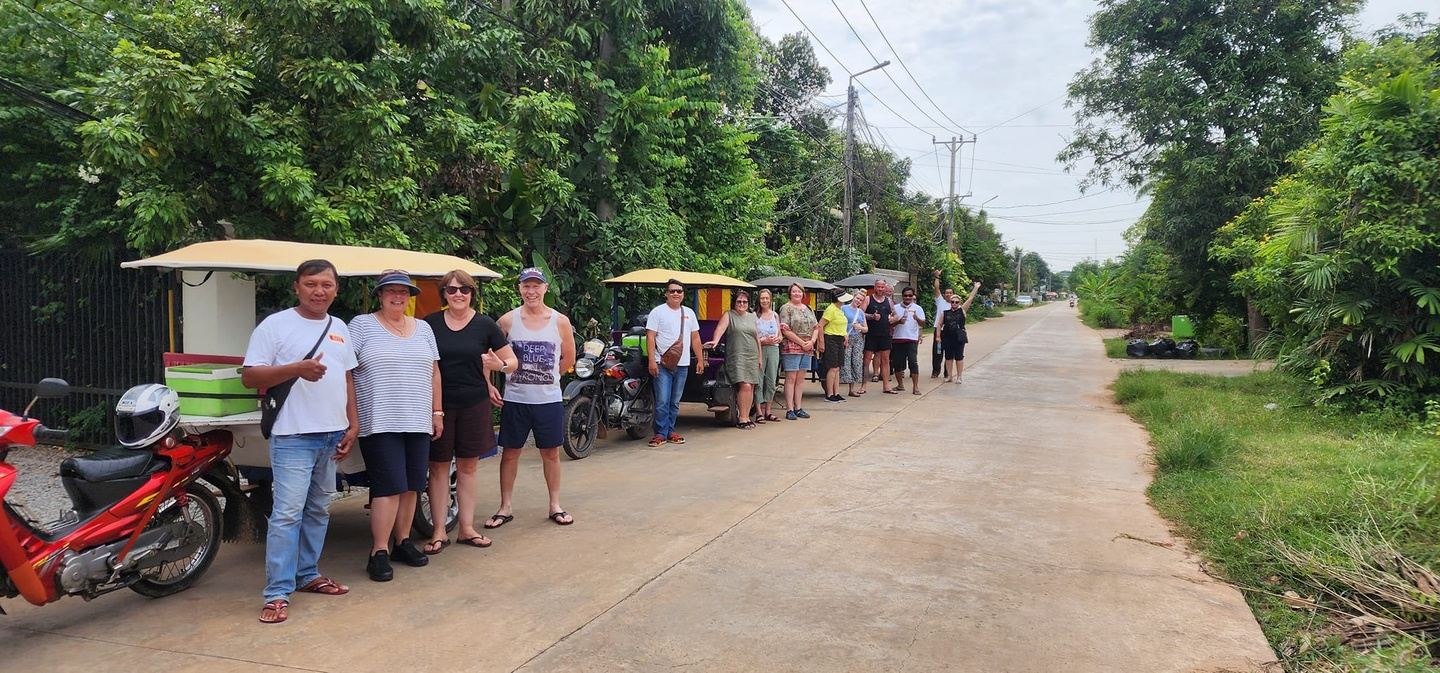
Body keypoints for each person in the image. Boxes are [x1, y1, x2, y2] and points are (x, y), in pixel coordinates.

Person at [242, 259, 359, 624]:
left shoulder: (339, 328)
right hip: (293, 435)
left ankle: (307, 574)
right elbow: (249, 376)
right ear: (297, 286)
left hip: (332, 434)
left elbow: (348, 380)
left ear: (336, 289)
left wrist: (353, 425)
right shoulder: (275, 326)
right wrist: (296, 369)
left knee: (319, 509)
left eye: (326, 284)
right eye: (311, 284)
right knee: (287, 515)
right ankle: (277, 592)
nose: (319, 291)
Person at [350, 270, 443, 582]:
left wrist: (437, 412)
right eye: (390, 291)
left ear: (410, 297)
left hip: (418, 419)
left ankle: (403, 541)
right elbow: (347, 371)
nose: (397, 296)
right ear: (380, 295)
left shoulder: (424, 328)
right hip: (379, 419)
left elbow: (434, 373)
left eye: (403, 292)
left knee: (413, 484)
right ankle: (379, 550)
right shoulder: (362, 325)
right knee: (388, 486)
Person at [422, 269, 517, 553]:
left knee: (467, 467)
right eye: (451, 290)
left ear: (472, 293)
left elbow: (511, 362)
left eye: (464, 290)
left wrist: (496, 366)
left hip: (473, 404)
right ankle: (439, 531)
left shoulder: (485, 325)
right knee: (438, 467)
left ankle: (466, 528)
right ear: (444, 294)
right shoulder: (430, 324)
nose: (458, 295)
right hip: (439, 405)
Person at [484, 268, 578, 528]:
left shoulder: (559, 321)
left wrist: (549, 378)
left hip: (548, 400)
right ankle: (505, 506)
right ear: (520, 289)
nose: (531, 291)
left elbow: (568, 357)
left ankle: (555, 505)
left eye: (536, 286)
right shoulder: (506, 321)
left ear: (546, 288)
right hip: (515, 399)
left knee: (550, 453)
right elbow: (489, 355)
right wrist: (489, 384)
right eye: (526, 286)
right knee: (510, 453)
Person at [645, 279, 704, 446]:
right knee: (662, 400)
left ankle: (670, 430)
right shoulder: (658, 312)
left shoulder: (689, 313)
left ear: (683, 294)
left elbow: (695, 337)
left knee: (675, 401)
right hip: (662, 363)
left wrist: (700, 359)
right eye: (672, 291)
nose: (676, 293)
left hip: (683, 364)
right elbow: (650, 336)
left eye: (679, 291)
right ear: (666, 294)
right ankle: (660, 433)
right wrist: (652, 360)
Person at [704, 291, 764, 429]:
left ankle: (746, 416)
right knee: (745, 385)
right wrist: (715, 340)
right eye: (739, 301)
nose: (742, 304)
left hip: (752, 355)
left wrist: (760, 357)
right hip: (737, 355)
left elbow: (757, 339)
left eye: (745, 302)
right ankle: (742, 418)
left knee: (751, 386)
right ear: (734, 302)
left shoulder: (753, 316)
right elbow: (720, 328)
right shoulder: (729, 315)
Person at [778, 283, 819, 420]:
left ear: (803, 293)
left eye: (799, 291)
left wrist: (812, 341)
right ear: (790, 293)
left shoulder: (808, 308)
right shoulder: (786, 308)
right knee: (791, 378)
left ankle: (798, 407)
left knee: (800, 379)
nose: (797, 294)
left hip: (808, 345)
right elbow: (785, 329)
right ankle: (789, 408)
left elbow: (816, 327)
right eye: (794, 291)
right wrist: (802, 343)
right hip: (792, 345)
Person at [939, 281, 984, 383]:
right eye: (952, 302)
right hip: (947, 336)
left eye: (956, 302)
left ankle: (959, 376)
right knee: (948, 357)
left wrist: (975, 288)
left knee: (959, 357)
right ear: (950, 302)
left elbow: (970, 299)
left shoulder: (962, 310)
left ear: (959, 303)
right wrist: (938, 336)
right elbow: (939, 324)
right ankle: (949, 376)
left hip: (959, 337)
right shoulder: (945, 313)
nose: (954, 303)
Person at [889, 286, 927, 396]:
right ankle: (900, 385)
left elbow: (923, 323)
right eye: (906, 295)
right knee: (897, 363)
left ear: (913, 296)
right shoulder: (895, 308)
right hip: (897, 339)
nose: (908, 297)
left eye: (910, 295)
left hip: (911, 339)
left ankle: (915, 387)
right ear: (902, 296)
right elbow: (890, 324)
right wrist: (899, 321)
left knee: (913, 362)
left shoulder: (918, 308)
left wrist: (917, 318)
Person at [753, 289, 783, 423]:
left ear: (770, 299)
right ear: (759, 300)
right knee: (759, 379)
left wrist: (778, 339)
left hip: (773, 350)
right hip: (760, 349)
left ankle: (768, 411)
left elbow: (780, 334)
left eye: (767, 298)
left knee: (771, 380)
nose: (765, 301)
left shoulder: (775, 315)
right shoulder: (754, 316)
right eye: (762, 298)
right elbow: (752, 336)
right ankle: (758, 411)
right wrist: (763, 341)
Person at [817, 291, 849, 403]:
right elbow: (820, 326)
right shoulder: (830, 309)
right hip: (830, 339)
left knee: (838, 367)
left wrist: (845, 335)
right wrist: (821, 342)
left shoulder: (840, 310)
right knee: (832, 367)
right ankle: (829, 394)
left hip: (840, 339)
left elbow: (841, 325)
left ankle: (837, 393)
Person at [863, 280, 895, 394]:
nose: (880, 289)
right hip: (871, 334)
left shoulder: (889, 301)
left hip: (885, 334)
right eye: (878, 287)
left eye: (882, 287)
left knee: (885, 360)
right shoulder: (868, 299)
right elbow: (860, 314)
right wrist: (871, 316)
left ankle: (886, 386)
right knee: (866, 360)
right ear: (874, 287)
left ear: (885, 288)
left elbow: (895, 314)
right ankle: (863, 386)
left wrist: (892, 319)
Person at [841, 290, 869, 397]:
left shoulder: (861, 312)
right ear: (853, 297)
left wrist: (860, 327)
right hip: (846, 338)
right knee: (846, 362)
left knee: (856, 362)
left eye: (861, 300)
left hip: (857, 339)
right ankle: (838, 388)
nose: (858, 301)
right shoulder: (844, 308)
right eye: (857, 298)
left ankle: (851, 389)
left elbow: (866, 329)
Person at [931, 270, 956, 379]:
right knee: (938, 351)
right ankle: (936, 371)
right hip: (939, 331)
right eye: (947, 293)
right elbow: (936, 288)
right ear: (944, 294)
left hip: (950, 331)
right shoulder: (940, 300)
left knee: (949, 353)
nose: (948, 294)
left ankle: (947, 372)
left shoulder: (956, 304)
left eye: (950, 293)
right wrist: (937, 277)